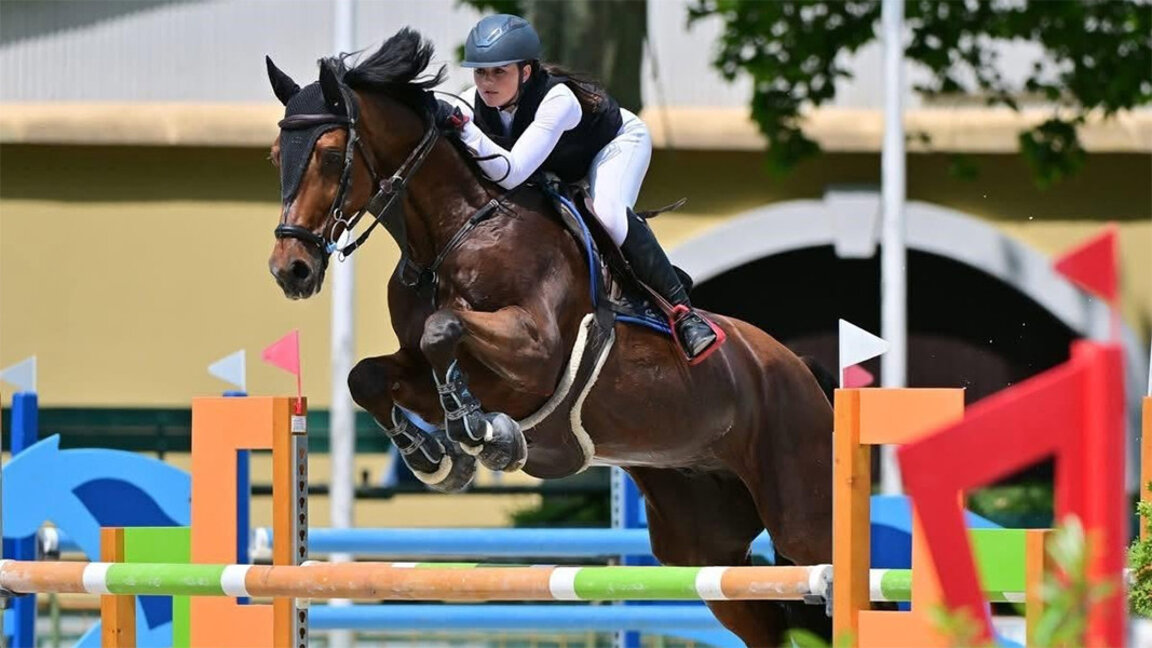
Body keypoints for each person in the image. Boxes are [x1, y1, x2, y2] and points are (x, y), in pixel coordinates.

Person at [437, 13, 723, 363]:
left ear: (525, 72)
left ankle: (684, 314)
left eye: (500, 72)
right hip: (557, 164)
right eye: (481, 72)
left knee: (608, 214)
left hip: (614, 145)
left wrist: (464, 128)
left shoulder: (558, 100)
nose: (487, 82)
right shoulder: (470, 102)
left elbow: (511, 173)